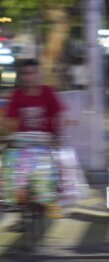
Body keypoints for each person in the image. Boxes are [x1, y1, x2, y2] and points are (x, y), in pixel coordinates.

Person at [0, 59, 64, 231]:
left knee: (54, 172)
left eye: (33, 73)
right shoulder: (17, 96)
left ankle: (45, 204)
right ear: (22, 77)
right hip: (22, 146)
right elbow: (10, 121)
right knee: (11, 171)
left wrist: (58, 138)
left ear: (39, 74)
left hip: (45, 144)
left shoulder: (48, 93)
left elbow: (58, 117)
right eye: (26, 74)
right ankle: (21, 210)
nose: (30, 77)